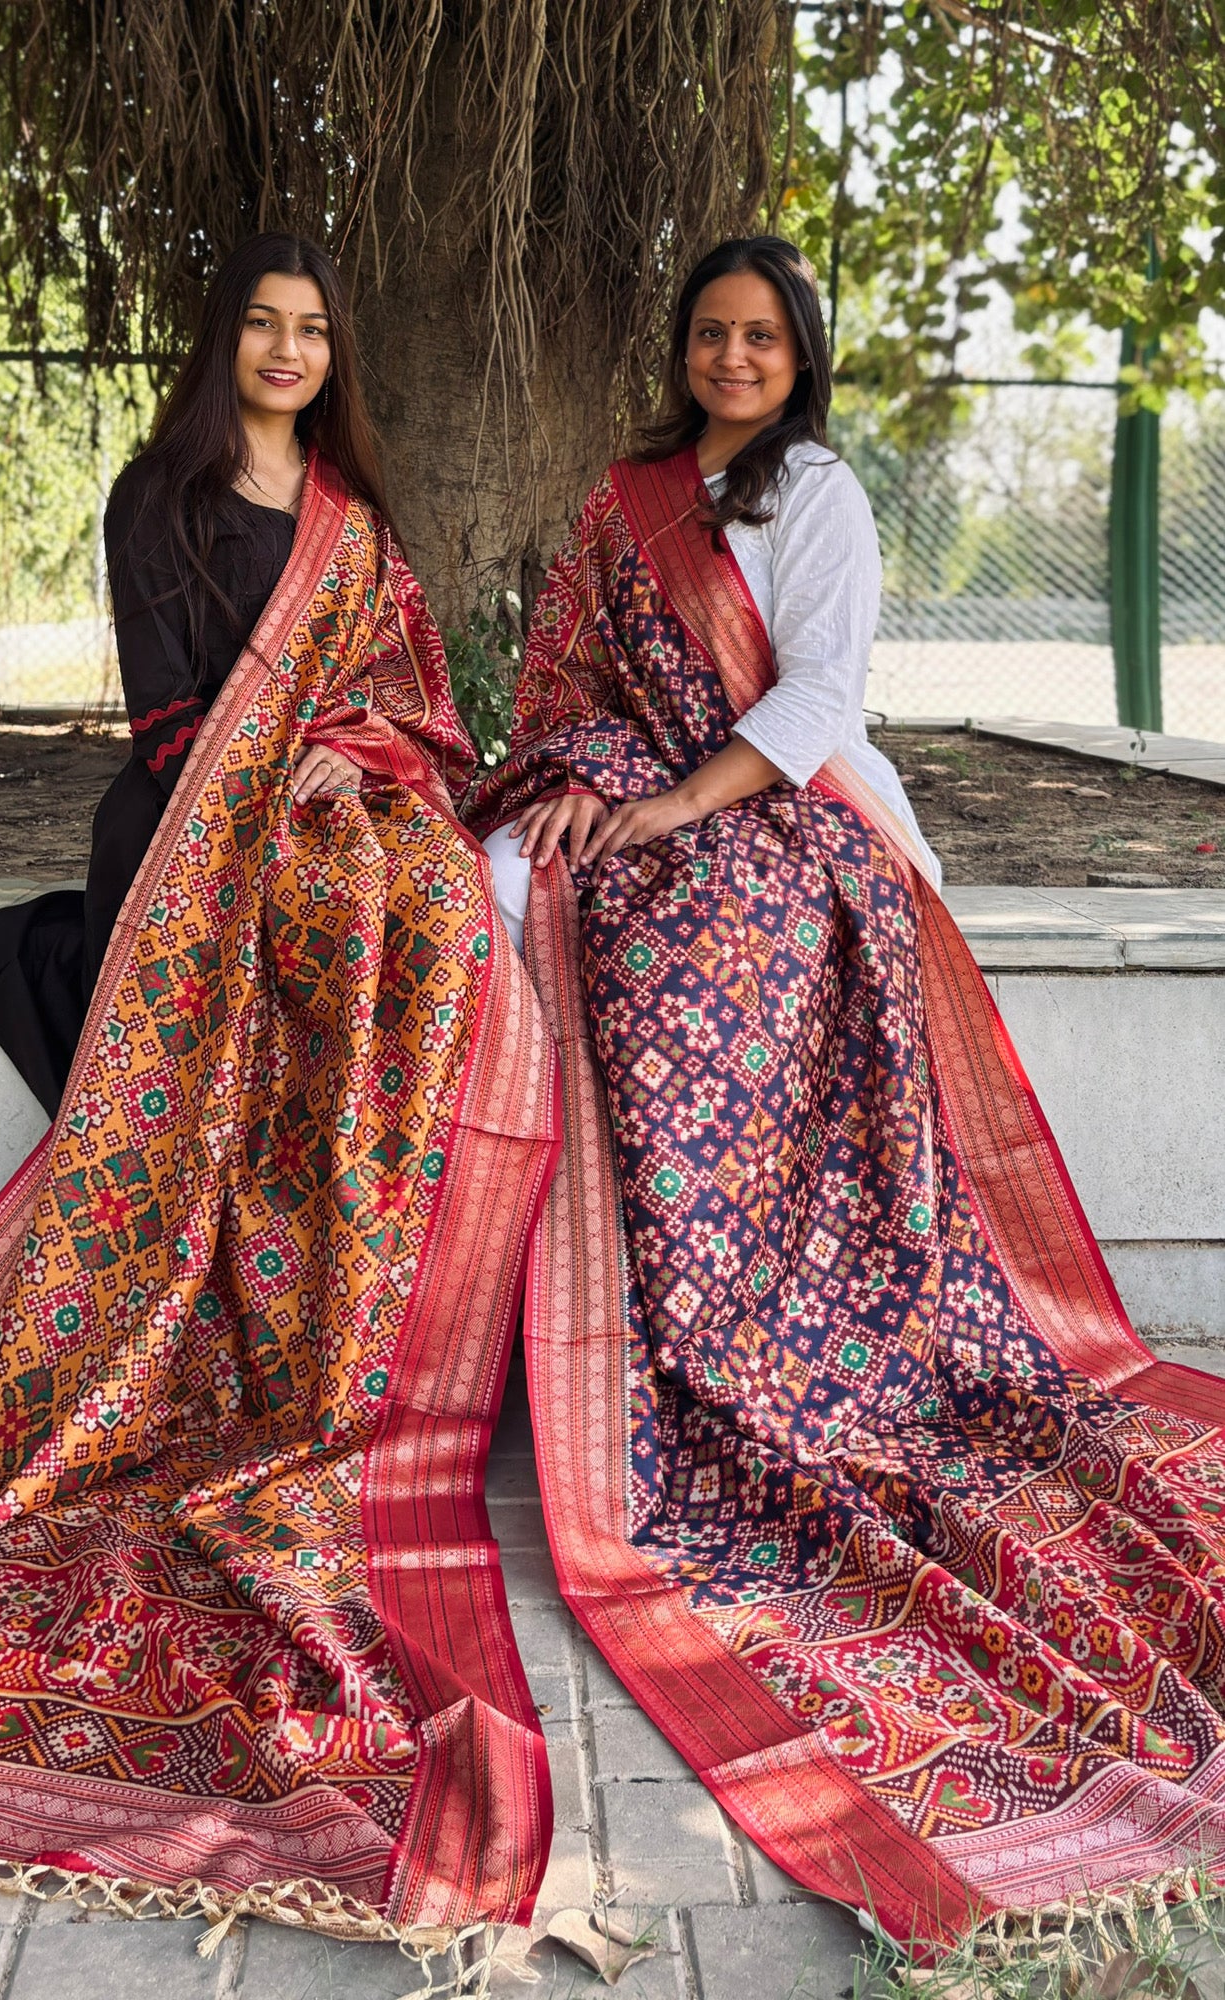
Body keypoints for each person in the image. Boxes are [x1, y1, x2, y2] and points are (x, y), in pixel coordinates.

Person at [468, 236, 1225, 1947]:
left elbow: (816, 693)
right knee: (501, 886)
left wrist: (673, 808)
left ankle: (723, 1332)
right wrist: (591, 779)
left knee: (717, 939)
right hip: (640, 780)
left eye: (762, 337)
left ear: (800, 355)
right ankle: (548, 1312)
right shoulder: (629, 498)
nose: (733, 357)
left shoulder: (815, 494)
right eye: (711, 333)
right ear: (683, 347)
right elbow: (568, 691)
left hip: (791, 790)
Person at [0, 233, 559, 1938]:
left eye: (312, 329)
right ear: (225, 343)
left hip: (334, 813)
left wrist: (354, 762)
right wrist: (286, 785)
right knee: (319, 901)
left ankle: (361, 1281)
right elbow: (172, 716)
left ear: (335, 356)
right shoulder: (160, 498)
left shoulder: (353, 519)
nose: (287, 349)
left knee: (433, 910)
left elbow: (415, 708)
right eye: (262, 323)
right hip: (188, 830)